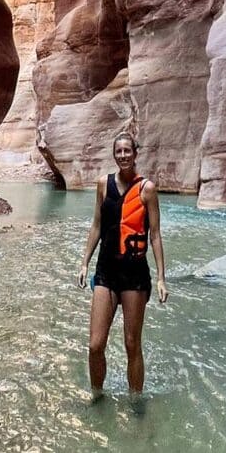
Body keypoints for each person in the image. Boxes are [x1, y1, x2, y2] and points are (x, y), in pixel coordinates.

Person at [78, 132, 168, 397]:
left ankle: (135, 401)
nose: (123, 156)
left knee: (132, 344)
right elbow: (96, 226)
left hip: (134, 275)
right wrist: (84, 262)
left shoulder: (147, 189)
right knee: (95, 344)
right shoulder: (102, 185)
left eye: (128, 151)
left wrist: (162, 277)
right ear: (114, 154)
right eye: (119, 151)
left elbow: (155, 235)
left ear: (135, 153)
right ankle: (97, 395)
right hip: (106, 272)